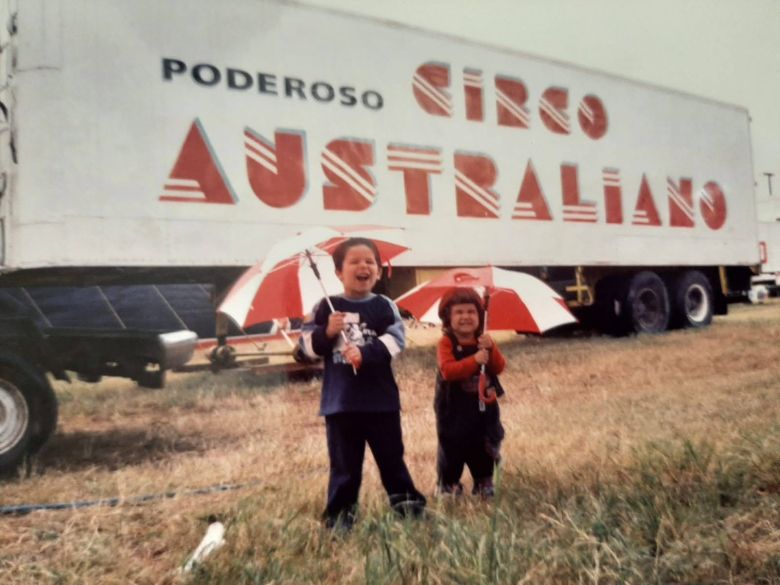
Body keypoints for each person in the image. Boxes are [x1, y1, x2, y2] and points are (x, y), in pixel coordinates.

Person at [298, 237, 426, 530]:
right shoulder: (325, 307)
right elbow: (305, 348)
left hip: (381, 401)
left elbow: (397, 339)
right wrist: (327, 332)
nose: (363, 266)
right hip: (340, 404)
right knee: (344, 468)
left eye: (370, 261)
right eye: (354, 261)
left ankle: (408, 507)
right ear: (339, 273)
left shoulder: (385, 306)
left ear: (379, 272)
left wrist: (366, 353)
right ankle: (340, 518)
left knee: (392, 460)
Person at [434, 287, 506, 497]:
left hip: (484, 407)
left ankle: (484, 480)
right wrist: (474, 360)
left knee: (484, 442)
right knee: (452, 445)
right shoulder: (446, 343)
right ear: (448, 317)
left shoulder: (484, 341)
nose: (466, 317)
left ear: (480, 316)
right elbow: (448, 371)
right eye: (459, 312)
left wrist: (491, 349)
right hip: (453, 408)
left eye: (471, 312)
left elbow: (499, 367)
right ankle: (449, 483)